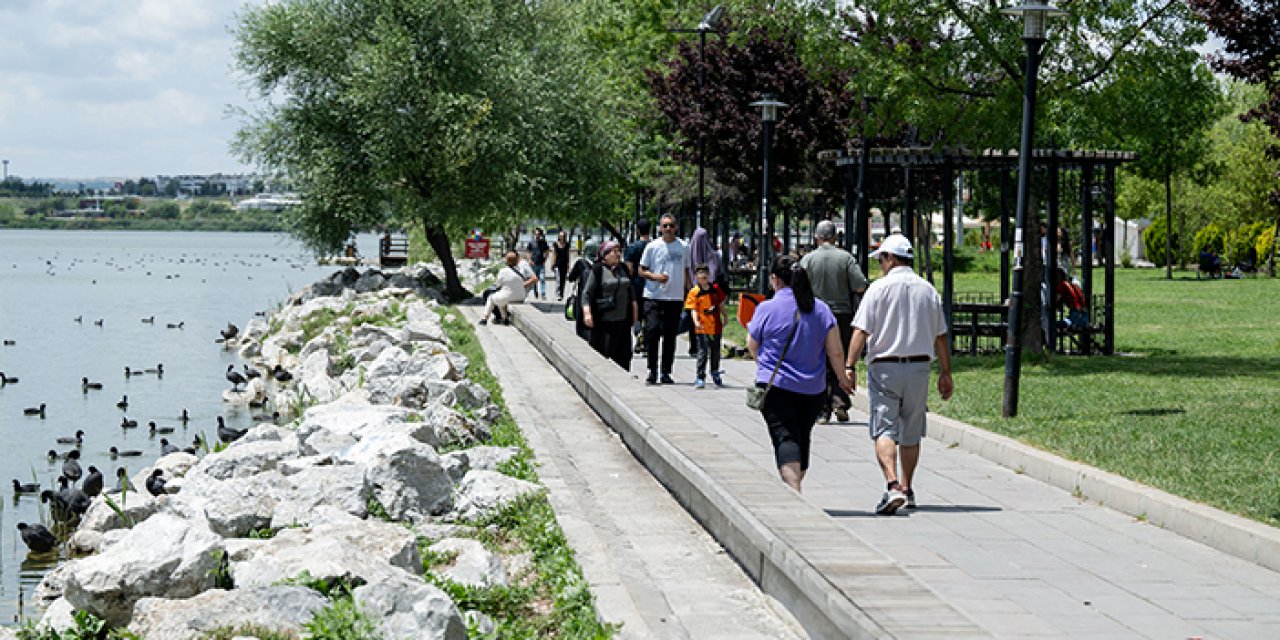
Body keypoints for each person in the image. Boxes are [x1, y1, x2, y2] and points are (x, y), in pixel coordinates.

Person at [845, 234, 953, 515]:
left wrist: (849, 365)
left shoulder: (878, 289)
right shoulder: (928, 290)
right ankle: (907, 486)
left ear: (890, 258)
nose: (880, 264)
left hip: (885, 367)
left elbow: (861, 330)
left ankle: (892, 485)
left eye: (881, 259)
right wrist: (945, 372)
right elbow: (941, 336)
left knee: (884, 428)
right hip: (919, 367)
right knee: (912, 430)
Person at [748, 255, 853, 493]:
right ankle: (794, 482)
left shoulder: (767, 308)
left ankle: (793, 489)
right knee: (801, 437)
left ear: (774, 279)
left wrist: (765, 368)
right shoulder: (821, 310)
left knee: (786, 437)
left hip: (776, 388)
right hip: (812, 390)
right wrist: (843, 379)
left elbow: (752, 344)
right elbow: (835, 352)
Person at [800, 220, 869, 424]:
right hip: (842, 315)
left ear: (817, 237)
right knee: (840, 358)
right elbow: (860, 285)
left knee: (819, 360)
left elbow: (798, 286)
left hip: (815, 315)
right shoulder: (846, 258)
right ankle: (839, 402)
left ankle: (822, 409)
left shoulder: (808, 260)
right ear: (835, 236)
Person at [638, 215, 689, 384]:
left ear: (676, 227)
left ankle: (666, 371)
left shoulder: (683, 246)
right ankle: (652, 369)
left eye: (671, 225)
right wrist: (656, 277)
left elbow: (687, 271)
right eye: (665, 226)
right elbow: (641, 270)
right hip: (654, 296)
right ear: (660, 228)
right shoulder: (653, 247)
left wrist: (692, 291)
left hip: (674, 297)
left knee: (670, 336)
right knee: (652, 331)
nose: (668, 229)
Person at [582, 241, 637, 370]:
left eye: (619, 251)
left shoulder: (623, 269)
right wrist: (587, 313)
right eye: (614, 251)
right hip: (604, 322)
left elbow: (631, 293)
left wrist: (635, 313)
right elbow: (587, 293)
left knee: (624, 356)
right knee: (603, 355)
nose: (618, 254)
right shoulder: (598, 270)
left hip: (622, 322)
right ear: (605, 255)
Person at [684, 264, 726, 388]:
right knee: (703, 351)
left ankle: (715, 372)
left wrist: (725, 316)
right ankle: (700, 376)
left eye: (705, 273)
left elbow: (720, 303)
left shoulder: (715, 288)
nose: (703, 276)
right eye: (700, 274)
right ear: (696, 277)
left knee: (716, 350)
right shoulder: (694, 292)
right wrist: (696, 321)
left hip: (716, 325)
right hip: (702, 327)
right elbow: (693, 309)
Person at [685, 227, 723, 357]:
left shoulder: (689, 254)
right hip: (709, 292)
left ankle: (695, 346)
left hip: (694, 291)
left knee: (694, 319)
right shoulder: (714, 255)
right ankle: (707, 344)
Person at [479, 250, 537, 326]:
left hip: (508, 296)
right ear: (516, 260)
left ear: (507, 261)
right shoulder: (520, 270)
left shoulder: (503, 271)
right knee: (501, 297)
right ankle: (505, 318)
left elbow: (498, 284)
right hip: (521, 296)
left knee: (492, 297)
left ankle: (484, 318)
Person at [624, 219, 653, 354]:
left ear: (637, 230)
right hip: (652, 283)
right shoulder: (655, 246)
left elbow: (629, 268)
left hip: (636, 283)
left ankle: (638, 332)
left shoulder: (632, 247)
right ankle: (647, 341)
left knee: (636, 313)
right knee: (649, 314)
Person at [526, 228, 550, 300]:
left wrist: (545, 259)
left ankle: (543, 293)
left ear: (540, 235)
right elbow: (528, 252)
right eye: (536, 234)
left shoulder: (543, 242)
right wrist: (529, 260)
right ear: (534, 234)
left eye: (538, 234)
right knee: (534, 279)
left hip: (541, 263)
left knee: (542, 278)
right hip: (533, 264)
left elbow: (547, 251)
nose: (537, 235)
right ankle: (535, 292)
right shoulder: (531, 242)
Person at [552, 231, 572, 301]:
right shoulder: (555, 244)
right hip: (557, 264)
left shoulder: (567, 245)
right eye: (560, 236)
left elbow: (568, 255)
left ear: (564, 237)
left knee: (563, 280)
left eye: (563, 236)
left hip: (564, 264)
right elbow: (554, 254)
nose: (561, 237)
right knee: (558, 279)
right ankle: (558, 293)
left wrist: (568, 265)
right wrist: (552, 264)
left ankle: (561, 294)